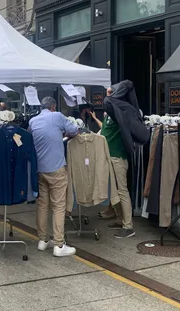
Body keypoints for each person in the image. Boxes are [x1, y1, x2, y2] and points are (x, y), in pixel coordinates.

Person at [29, 96, 79, 257]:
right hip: (56, 168)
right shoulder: (57, 116)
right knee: (58, 205)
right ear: (53, 106)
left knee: (42, 205)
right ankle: (59, 244)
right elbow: (74, 130)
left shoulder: (33, 121)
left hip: (40, 169)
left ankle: (43, 240)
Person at [90, 87, 135, 239]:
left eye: (110, 94)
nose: (106, 97)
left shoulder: (119, 111)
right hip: (110, 156)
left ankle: (128, 226)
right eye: (106, 94)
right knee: (112, 190)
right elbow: (105, 130)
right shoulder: (110, 113)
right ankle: (119, 218)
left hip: (117, 157)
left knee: (122, 190)